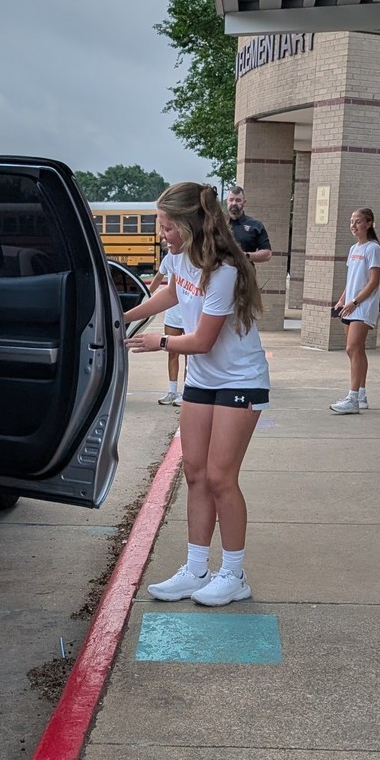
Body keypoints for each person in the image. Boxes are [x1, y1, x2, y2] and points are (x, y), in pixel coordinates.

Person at [124, 182, 269, 606]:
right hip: (203, 380)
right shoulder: (178, 256)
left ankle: (233, 574)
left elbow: (203, 339)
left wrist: (159, 343)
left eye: (168, 227)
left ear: (190, 226)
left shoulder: (225, 271)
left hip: (240, 380)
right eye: (161, 226)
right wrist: (125, 315)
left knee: (222, 478)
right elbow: (172, 291)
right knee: (195, 474)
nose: (161, 234)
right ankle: (195, 568)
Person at [330, 208, 380, 414]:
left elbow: (374, 282)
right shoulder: (354, 249)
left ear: (369, 223)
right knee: (357, 350)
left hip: (363, 306)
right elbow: (351, 279)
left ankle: (352, 398)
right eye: (351, 221)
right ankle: (361, 394)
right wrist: (342, 301)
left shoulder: (373, 249)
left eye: (358, 221)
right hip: (350, 307)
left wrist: (355, 301)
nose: (353, 225)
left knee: (352, 348)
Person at [150, 248, 185, 406]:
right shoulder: (170, 257)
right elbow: (158, 278)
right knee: (172, 353)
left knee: (191, 356)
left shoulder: (194, 256)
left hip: (189, 312)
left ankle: (186, 392)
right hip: (173, 313)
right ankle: (172, 391)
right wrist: (145, 294)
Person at [225, 185, 272, 264]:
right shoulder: (217, 224)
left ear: (244, 202)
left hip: (244, 273)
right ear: (227, 201)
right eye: (231, 199)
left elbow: (267, 254)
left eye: (238, 200)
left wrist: (245, 256)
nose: (234, 203)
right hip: (220, 273)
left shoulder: (255, 225)